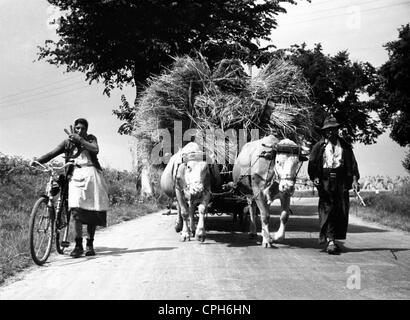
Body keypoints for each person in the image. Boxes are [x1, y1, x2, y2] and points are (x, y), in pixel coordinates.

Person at [32, 118, 109, 258]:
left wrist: (80, 140)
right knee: (76, 208)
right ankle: (78, 245)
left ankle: (90, 244)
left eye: (83, 128)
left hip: (92, 174)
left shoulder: (91, 139)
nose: (80, 130)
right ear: (74, 128)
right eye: (77, 128)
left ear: (86, 129)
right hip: (75, 176)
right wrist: (38, 161)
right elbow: (51, 154)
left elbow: (95, 149)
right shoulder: (67, 142)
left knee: (93, 209)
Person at [308, 115, 360, 255]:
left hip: (341, 182)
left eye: (334, 129)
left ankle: (334, 239)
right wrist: (315, 178)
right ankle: (330, 241)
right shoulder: (319, 147)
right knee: (327, 209)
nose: (331, 132)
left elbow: (353, 165)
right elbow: (312, 166)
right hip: (325, 182)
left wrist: (355, 180)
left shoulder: (345, 146)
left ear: (337, 130)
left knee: (340, 211)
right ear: (325, 132)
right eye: (328, 130)